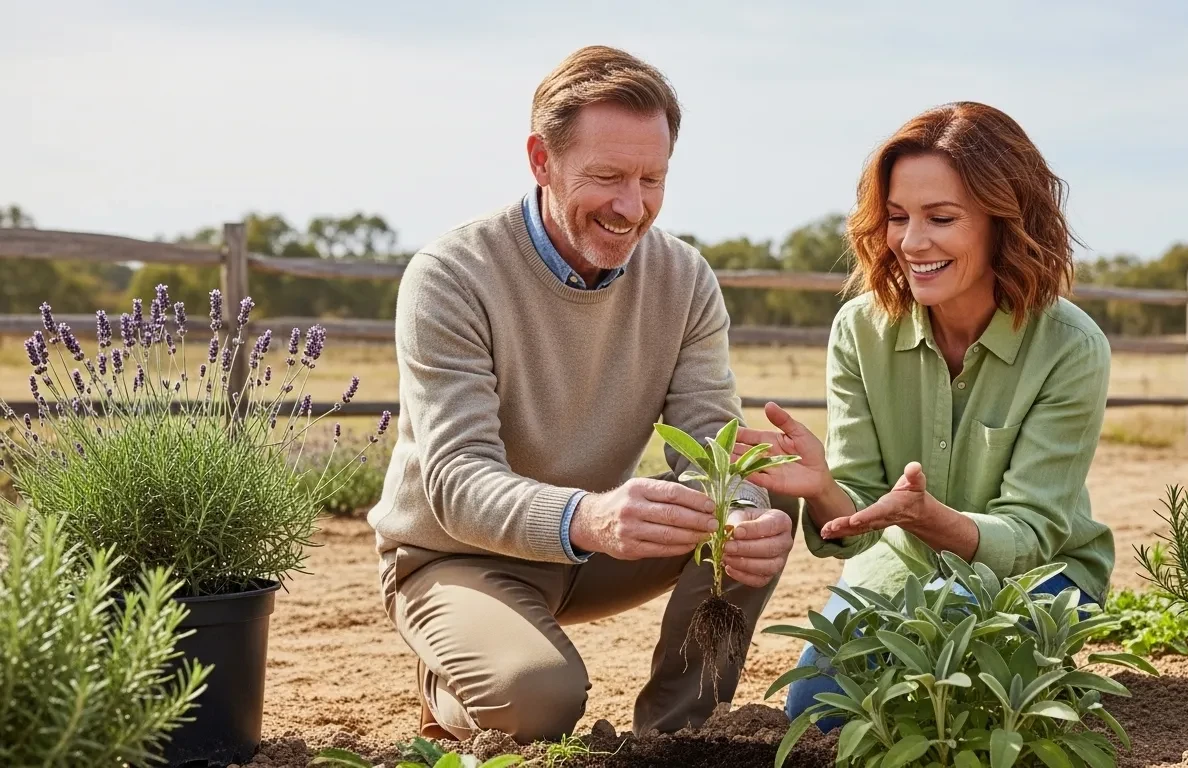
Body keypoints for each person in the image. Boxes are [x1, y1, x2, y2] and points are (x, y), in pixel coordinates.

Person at [367, 45, 798, 744]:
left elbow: (715, 443)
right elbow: (452, 480)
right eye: (607, 177)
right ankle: (452, 678)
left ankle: (677, 737)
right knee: (539, 700)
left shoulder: (682, 279)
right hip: (454, 554)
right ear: (541, 160)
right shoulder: (452, 275)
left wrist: (744, 512)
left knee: (757, 487)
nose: (632, 207)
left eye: (652, 179)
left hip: (593, 547)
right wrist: (590, 518)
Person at [733, 101, 1116, 731]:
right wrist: (826, 489)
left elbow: (1033, 533)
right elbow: (856, 515)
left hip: (1038, 578)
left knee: (963, 688)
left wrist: (937, 521)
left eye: (941, 218)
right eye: (897, 218)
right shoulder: (860, 330)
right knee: (818, 710)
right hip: (902, 564)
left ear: (1005, 223)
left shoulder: (1072, 348)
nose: (912, 243)